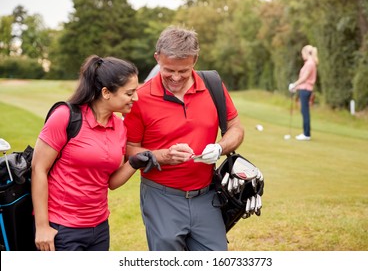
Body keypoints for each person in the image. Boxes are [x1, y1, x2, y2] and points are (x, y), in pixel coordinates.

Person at [124, 25, 245, 251]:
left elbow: (236, 128)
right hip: (161, 197)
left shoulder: (214, 85)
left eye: (184, 70)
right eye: (169, 70)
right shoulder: (140, 98)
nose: (176, 77)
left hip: (207, 195)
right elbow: (129, 149)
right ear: (157, 58)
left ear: (195, 60)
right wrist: (162, 156)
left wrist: (220, 147)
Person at [31, 55, 160, 251]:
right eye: (129, 93)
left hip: (99, 228)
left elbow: (109, 182)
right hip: (62, 228)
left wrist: (134, 162)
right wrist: (42, 227)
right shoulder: (65, 117)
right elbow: (38, 168)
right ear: (106, 92)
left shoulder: (119, 127)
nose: (136, 98)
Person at [288, 45, 319, 141]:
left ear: (306, 52)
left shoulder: (310, 63)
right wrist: (296, 87)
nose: (302, 56)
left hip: (306, 90)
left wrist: (294, 84)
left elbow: (304, 78)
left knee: (305, 111)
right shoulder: (310, 63)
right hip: (304, 89)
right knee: (304, 111)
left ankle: (306, 134)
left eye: (302, 53)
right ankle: (306, 133)